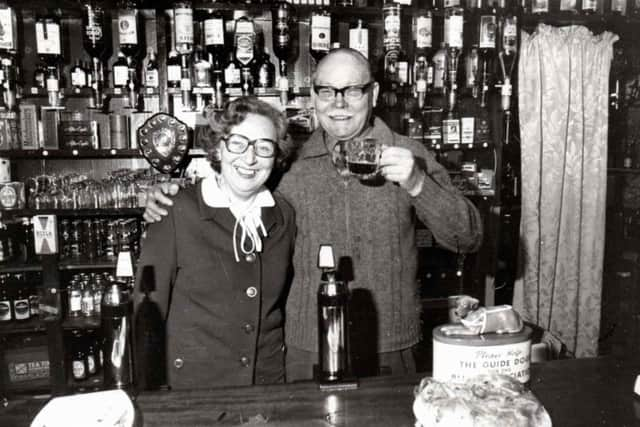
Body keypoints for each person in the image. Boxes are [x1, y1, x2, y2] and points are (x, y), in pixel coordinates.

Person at [143, 49, 483, 381]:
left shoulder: (409, 155)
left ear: (373, 93)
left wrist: (418, 183)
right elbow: (239, 181)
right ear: (313, 96)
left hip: (389, 346)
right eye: (326, 91)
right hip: (306, 349)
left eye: (351, 90)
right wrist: (170, 196)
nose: (338, 103)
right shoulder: (289, 160)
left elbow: (466, 238)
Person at [134, 96, 297, 390]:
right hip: (195, 388)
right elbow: (147, 311)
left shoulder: (283, 216)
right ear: (219, 148)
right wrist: (150, 392)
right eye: (238, 143)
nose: (250, 159)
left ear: (276, 157)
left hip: (267, 384)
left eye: (263, 147)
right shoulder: (175, 210)